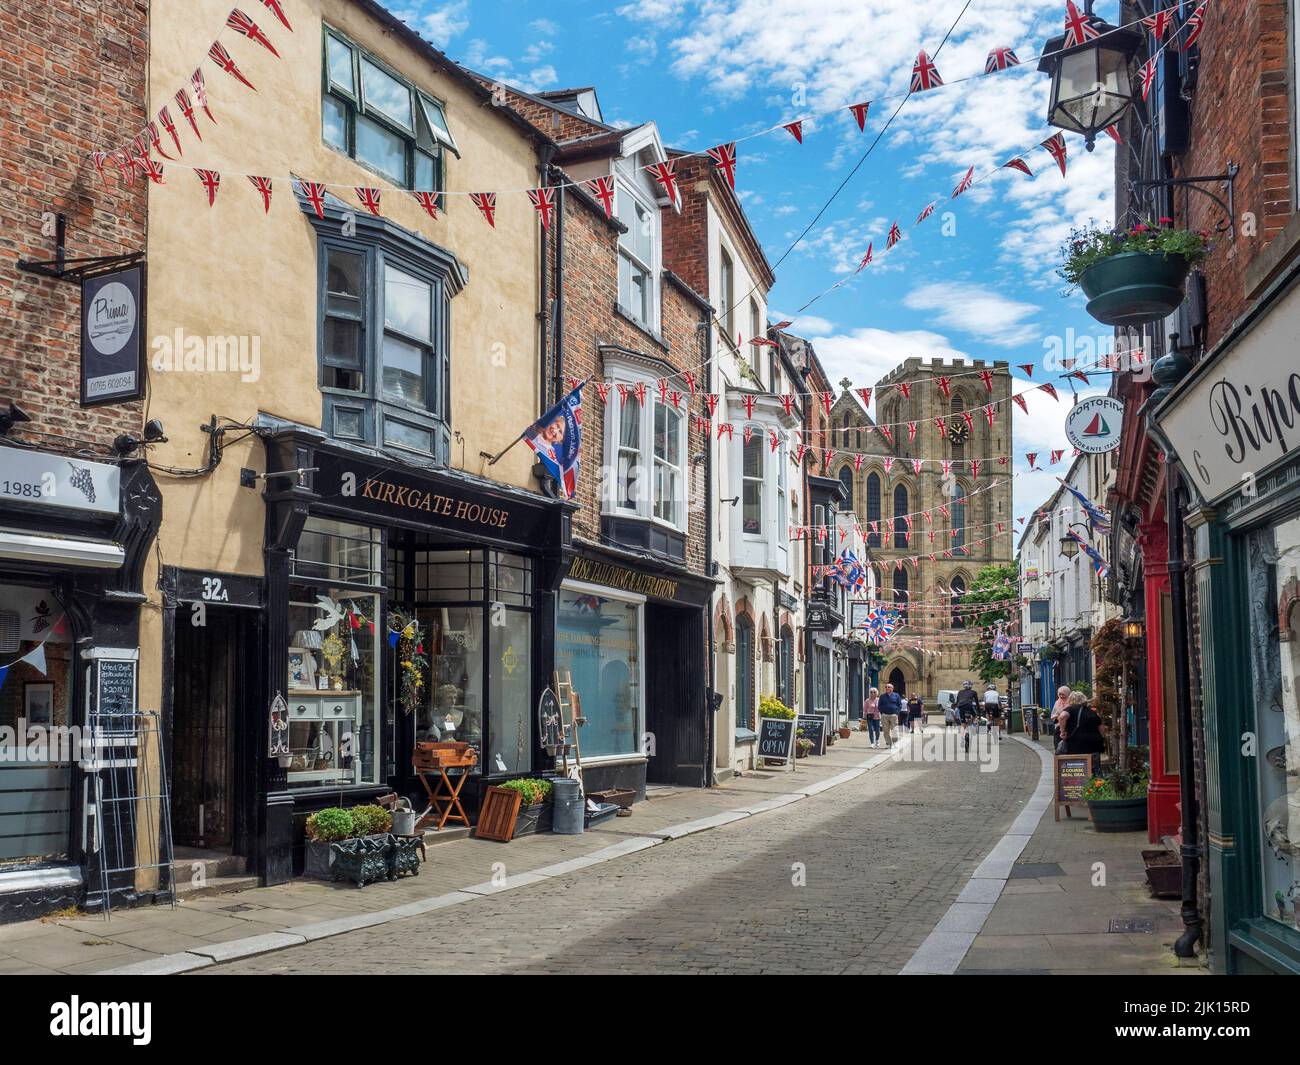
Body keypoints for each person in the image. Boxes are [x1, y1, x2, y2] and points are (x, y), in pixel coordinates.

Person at [1057, 690, 1105, 766]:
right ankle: (1093, 777)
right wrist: (1102, 737)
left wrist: (1062, 732)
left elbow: (1062, 716)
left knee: (1078, 766)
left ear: (1071, 699)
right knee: (1093, 766)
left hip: (1076, 743)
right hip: (1094, 744)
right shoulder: (1092, 712)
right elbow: (1101, 728)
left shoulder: (1070, 709)